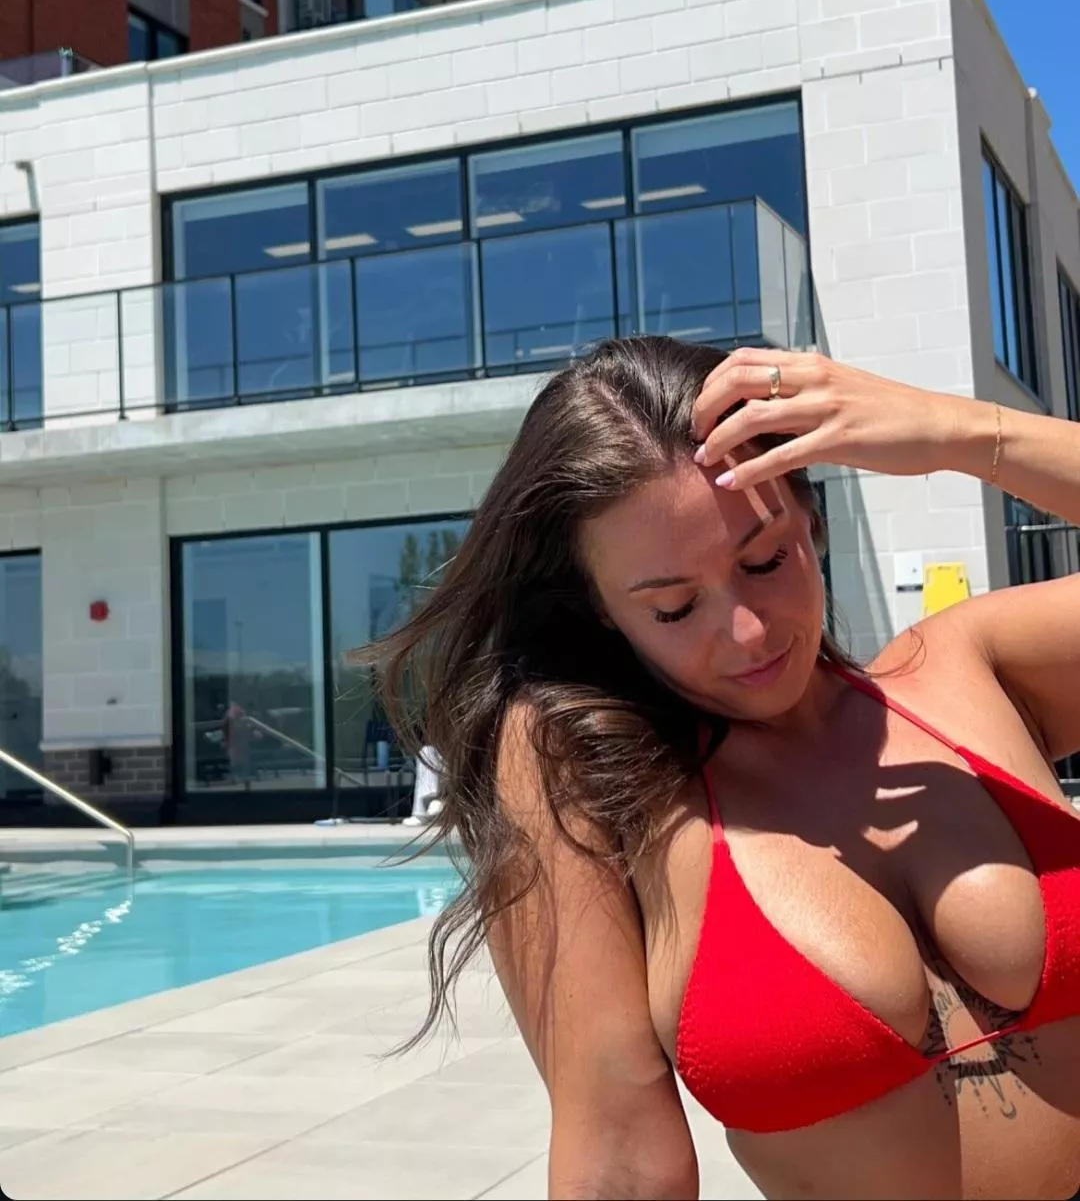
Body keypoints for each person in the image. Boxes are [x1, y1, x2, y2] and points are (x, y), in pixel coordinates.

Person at [367, 337, 1080, 1201]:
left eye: (766, 559)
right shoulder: (595, 781)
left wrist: (957, 432)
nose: (748, 632)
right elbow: (619, 1158)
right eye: (673, 606)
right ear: (601, 613)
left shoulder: (971, 668)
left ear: (810, 523)